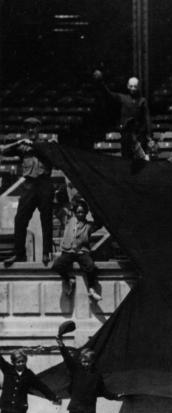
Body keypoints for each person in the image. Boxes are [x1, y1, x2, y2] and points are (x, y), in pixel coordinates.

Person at [1, 117, 54, 267]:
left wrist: (36, 145)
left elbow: (54, 155)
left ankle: (47, 252)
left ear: (39, 129)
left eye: (34, 127)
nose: (31, 130)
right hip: (29, 184)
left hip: (44, 183)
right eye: (28, 128)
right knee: (20, 220)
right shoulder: (23, 147)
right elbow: (3, 150)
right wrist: (19, 142)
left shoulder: (47, 145)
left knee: (46, 219)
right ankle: (19, 254)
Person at [92, 70, 152, 160]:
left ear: (138, 87)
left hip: (139, 136)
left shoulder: (142, 101)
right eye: (131, 86)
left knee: (139, 161)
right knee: (126, 160)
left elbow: (147, 119)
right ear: (128, 86)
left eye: (135, 86)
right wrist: (101, 83)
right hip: (126, 136)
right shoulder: (123, 98)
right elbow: (109, 94)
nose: (133, 88)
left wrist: (150, 136)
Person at [51, 198, 102, 303]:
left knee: (90, 266)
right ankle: (69, 279)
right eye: (78, 212)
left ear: (85, 213)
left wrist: (92, 208)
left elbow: (99, 223)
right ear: (74, 212)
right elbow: (57, 211)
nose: (80, 214)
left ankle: (91, 289)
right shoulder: (68, 221)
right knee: (57, 266)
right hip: (68, 251)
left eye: (82, 212)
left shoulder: (88, 226)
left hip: (81, 252)